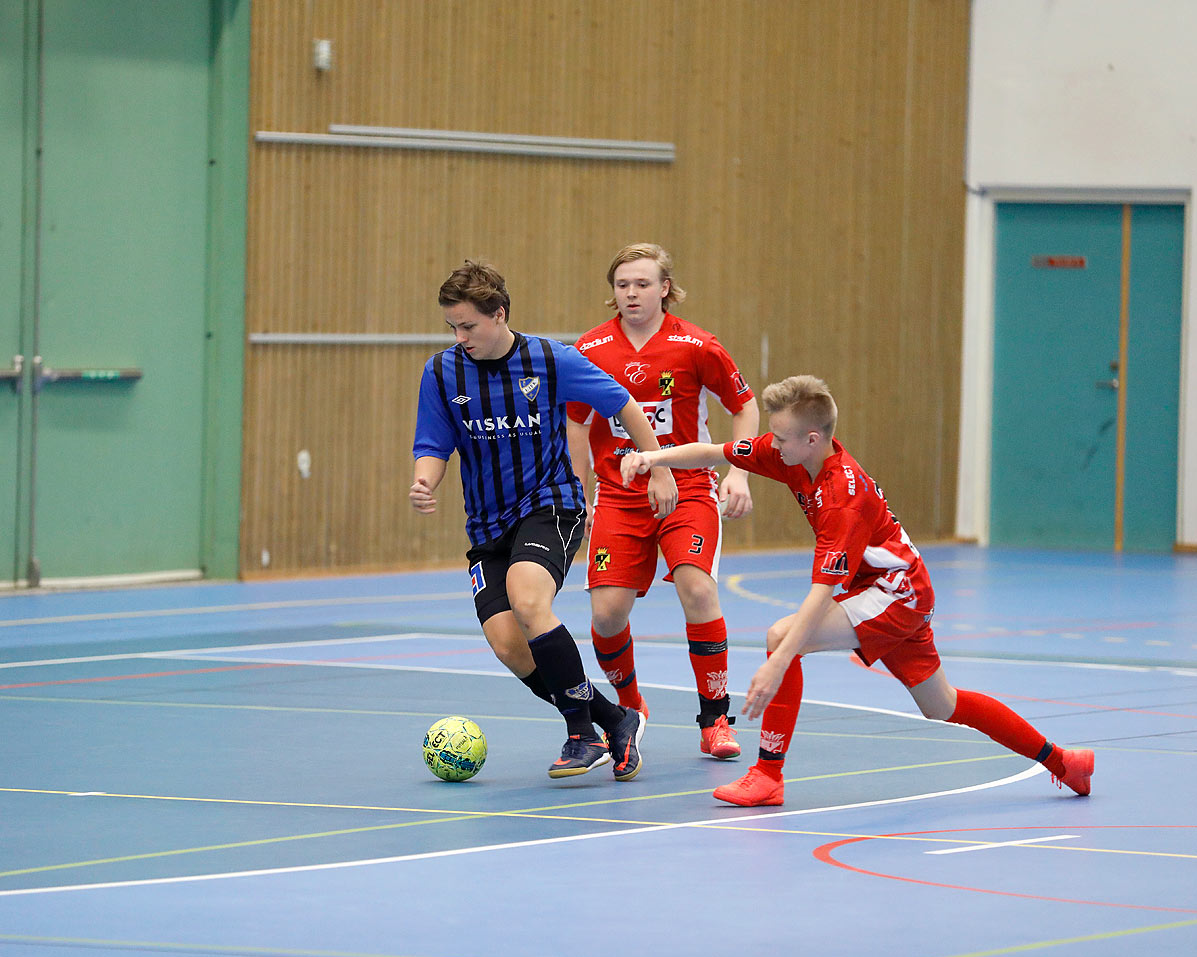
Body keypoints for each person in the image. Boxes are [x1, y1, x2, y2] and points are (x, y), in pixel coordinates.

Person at [621, 374, 1095, 806]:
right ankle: (1065, 763)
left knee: (782, 637)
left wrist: (777, 663)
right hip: (899, 587)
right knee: (942, 706)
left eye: (781, 437)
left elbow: (822, 592)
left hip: (895, 593)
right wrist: (652, 457)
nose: (770, 444)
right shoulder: (792, 454)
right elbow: (714, 452)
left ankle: (768, 775)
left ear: (811, 440)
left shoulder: (841, 500)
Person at [411, 259, 676, 781]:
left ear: (499, 314)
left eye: (469, 326)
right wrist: (425, 480)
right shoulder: (442, 372)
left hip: (550, 505)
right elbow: (433, 442)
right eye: (453, 328)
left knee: (530, 600)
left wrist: (657, 466)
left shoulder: (550, 359)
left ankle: (581, 736)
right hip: (488, 525)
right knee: (509, 644)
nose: (460, 337)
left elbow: (622, 404)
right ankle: (615, 720)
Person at [566, 243, 759, 759]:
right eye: (623, 284)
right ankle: (629, 709)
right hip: (619, 497)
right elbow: (578, 428)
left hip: (688, 489)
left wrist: (738, 472)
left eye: (643, 283)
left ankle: (715, 719)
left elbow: (745, 406)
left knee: (697, 591)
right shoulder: (589, 350)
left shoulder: (697, 345)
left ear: (664, 288)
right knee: (606, 615)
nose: (631, 293)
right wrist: (575, 496)